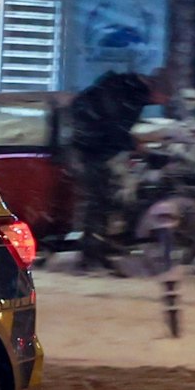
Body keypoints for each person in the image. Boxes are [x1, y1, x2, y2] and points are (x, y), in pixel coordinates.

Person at [68, 70, 154, 273]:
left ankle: (98, 251)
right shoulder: (129, 97)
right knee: (98, 203)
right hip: (93, 150)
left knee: (101, 202)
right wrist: (133, 145)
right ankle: (92, 257)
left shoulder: (114, 91)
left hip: (89, 146)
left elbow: (115, 127)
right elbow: (116, 129)